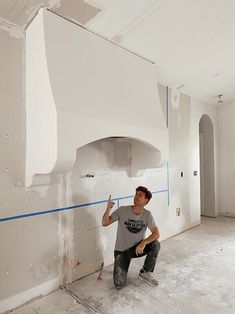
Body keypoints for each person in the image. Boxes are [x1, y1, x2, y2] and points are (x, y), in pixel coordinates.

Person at [102, 186, 160, 289]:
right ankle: (121, 264)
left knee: (155, 244)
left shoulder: (147, 214)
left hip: (137, 249)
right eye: (136, 195)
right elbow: (105, 223)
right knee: (119, 284)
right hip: (122, 252)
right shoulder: (123, 210)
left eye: (140, 195)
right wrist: (108, 209)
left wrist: (144, 242)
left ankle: (145, 272)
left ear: (146, 200)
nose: (136, 197)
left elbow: (156, 234)